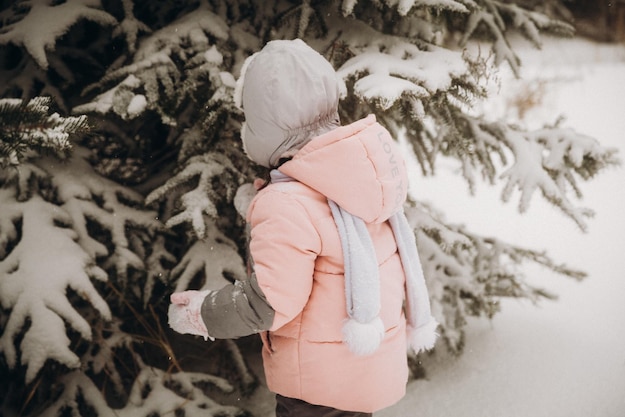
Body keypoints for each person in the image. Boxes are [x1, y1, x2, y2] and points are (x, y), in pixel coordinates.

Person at [167, 39, 438, 417]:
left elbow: (271, 302)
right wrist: (264, 206)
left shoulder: (286, 205)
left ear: (264, 127)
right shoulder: (356, 178)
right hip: (362, 370)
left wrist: (204, 312)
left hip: (316, 390)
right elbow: (326, 236)